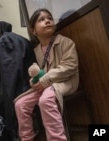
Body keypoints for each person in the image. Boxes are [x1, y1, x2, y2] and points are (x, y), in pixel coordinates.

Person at [14, 8, 79, 141]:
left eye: (49, 18)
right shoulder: (36, 50)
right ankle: (27, 138)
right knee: (20, 104)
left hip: (66, 81)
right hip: (46, 85)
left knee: (46, 99)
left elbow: (70, 66)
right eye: (41, 20)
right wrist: (34, 82)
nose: (47, 21)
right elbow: (37, 73)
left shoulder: (65, 42)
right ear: (33, 30)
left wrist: (45, 80)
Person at [0, 21, 36, 141]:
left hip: (22, 88)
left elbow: (10, 74)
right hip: (29, 83)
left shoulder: (5, 40)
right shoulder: (17, 38)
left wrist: (7, 99)